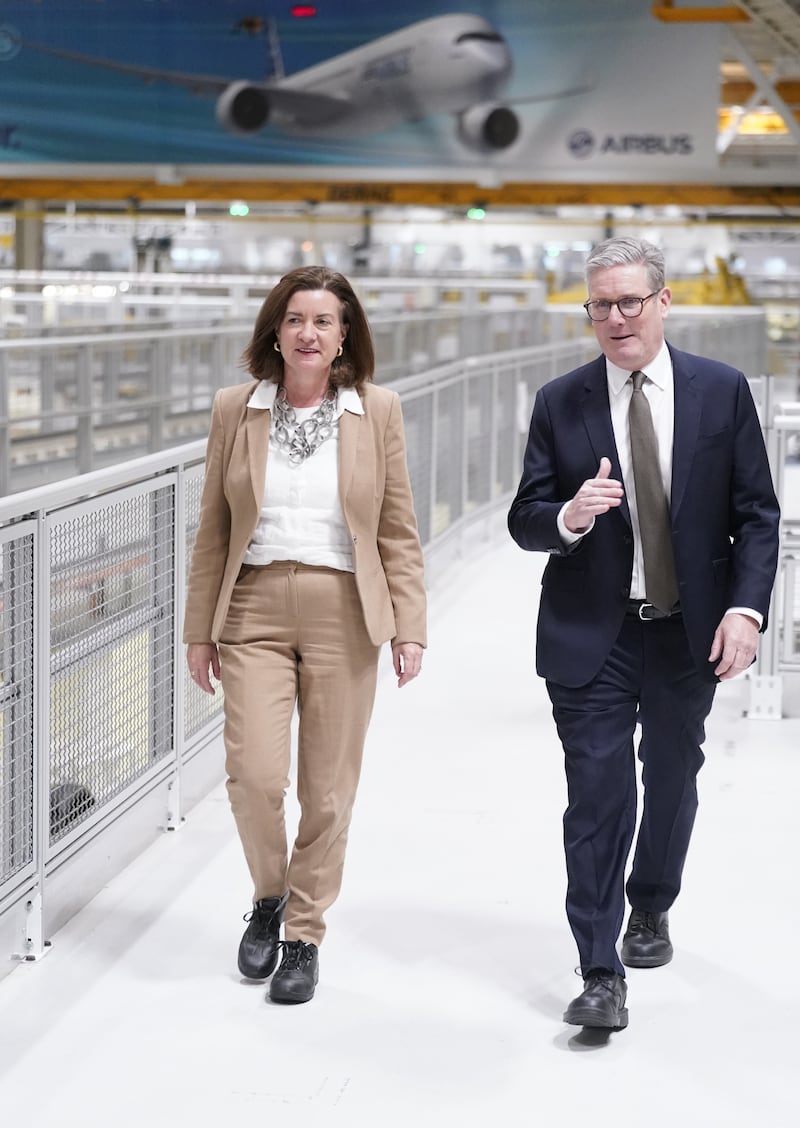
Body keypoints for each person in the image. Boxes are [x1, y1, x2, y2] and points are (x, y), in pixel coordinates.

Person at [508, 236, 779, 1031]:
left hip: (686, 631)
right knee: (596, 796)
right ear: (587, 312)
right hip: (593, 633)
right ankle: (599, 970)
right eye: (601, 305)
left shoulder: (720, 392)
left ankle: (651, 903)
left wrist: (746, 608)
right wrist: (568, 515)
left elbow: (757, 515)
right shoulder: (563, 400)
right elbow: (526, 517)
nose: (617, 317)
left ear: (664, 302)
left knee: (670, 778)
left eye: (631, 301)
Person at [183, 266, 427, 1005]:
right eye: (296, 319)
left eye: (324, 320)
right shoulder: (236, 408)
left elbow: (396, 527)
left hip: (344, 609)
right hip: (252, 606)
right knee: (255, 777)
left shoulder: (375, 410)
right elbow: (212, 531)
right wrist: (201, 630)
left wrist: (409, 627)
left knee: (326, 789)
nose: (309, 333)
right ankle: (269, 896)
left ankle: (304, 934)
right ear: (275, 331)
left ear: (345, 333)